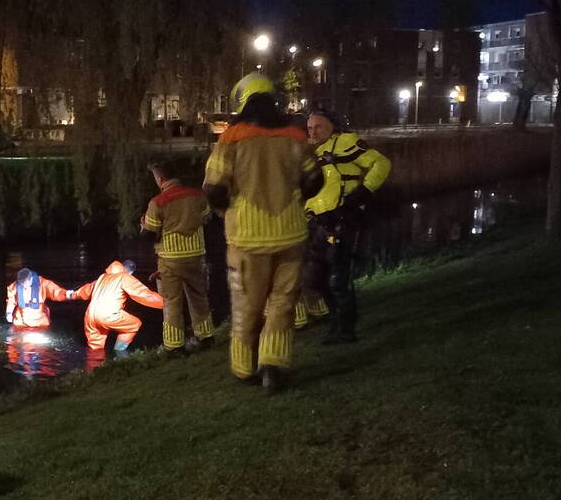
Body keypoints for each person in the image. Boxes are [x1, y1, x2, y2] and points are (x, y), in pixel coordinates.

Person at [203, 73, 323, 393]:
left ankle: (245, 368)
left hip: (247, 237)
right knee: (282, 303)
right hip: (291, 233)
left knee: (248, 305)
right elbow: (315, 180)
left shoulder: (231, 138)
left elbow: (214, 188)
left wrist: (227, 211)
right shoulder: (295, 135)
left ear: (243, 101)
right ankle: (274, 365)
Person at [303, 109, 391, 344]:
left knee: (338, 278)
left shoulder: (345, 143)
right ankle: (336, 322)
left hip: (343, 220)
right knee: (315, 278)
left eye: (318, 127)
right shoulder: (310, 152)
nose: (313, 132)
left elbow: (381, 163)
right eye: (309, 128)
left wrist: (363, 192)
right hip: (318, 224)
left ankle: (345, 329)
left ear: (332, 126)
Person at [141, 160, 214, 356]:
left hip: (170, 260)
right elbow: (207, 218)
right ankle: (206, 336)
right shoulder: (197, 195)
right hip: (196, 255)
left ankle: (174, 346)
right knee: (199, 297)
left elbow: (150, 234)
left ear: (160, 179)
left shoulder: (157, 202)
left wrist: (143, 226)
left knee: (172, 302)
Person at [69, 260, 163, 355]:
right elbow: (145, 295)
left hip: (90, 317)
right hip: (107, 315)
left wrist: (72, 295)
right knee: (134, 325)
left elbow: (86, 290)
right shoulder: (125, 277)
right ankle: (119, 353)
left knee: (95, 349)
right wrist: (165, 303)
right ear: (131, 273)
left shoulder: (102, 277)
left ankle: (94, 363)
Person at [5, 268, 72, 329]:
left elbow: (55, 291)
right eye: (22, 284)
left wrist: (66, 294)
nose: (24, 286)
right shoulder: (14, 286)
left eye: (25, 284)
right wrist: (9, 313)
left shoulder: (43, 283)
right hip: (20, 320)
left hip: (39, 320)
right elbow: (11, 300)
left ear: (31, 279)